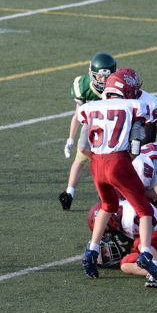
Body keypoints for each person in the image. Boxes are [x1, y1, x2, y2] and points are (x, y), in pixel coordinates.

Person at [77, 68, 157, 286]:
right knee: (144, 210)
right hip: (118, 161)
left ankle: (91, 250)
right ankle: (146, 254)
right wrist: (125, 160)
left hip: (96, 163)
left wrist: (99, 159)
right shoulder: (134, 105)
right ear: (127, 90)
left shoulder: (90, 107)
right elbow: (136, 145)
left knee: (107, 206)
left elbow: (83, 146)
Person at [60, 59, 157, 210]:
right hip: (115, 151)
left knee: (114, 201)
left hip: (110, 156)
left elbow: (147, 141)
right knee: (137, 204)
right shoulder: (114, 99)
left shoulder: (145, 103)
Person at [59, 52, 117, 210]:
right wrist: (70, 139)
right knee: (81, 155)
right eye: (100, 76)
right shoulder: (82, 87)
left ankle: (110, 192)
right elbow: (77, 115)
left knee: (111, 161)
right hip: (91, 124)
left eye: (107, 77)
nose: (103, 80)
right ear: (92, 74)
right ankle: (69, 192)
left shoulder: (117, 88)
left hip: (112, 126)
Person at [87, 199, 157, 286]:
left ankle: (156, 274)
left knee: (140, 243)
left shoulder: (129, 218)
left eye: (108, 231)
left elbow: (144, 242)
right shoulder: (121, 208)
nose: (111, 235)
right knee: (125, 263)